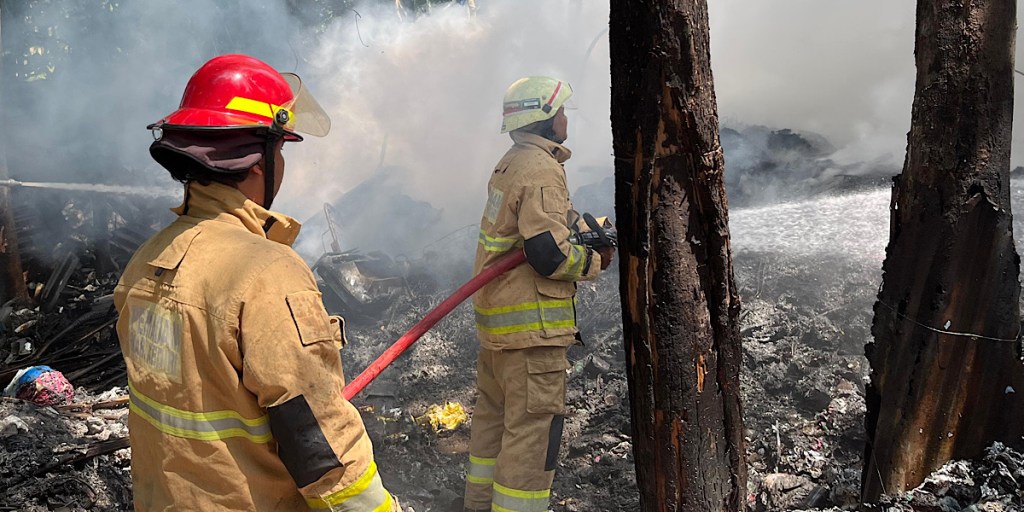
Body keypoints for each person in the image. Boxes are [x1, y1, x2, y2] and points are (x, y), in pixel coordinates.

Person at [114, 54, 396, 511]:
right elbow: (318, 444)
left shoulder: (148, 260)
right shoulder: (266, 273)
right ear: (258, 161)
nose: (280, 162)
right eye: (280, 148)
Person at [463, 76, 615, 512]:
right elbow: (547, 253)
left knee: (493, 428)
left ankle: (477, 505)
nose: (567, 118)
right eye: (562, 110)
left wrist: (579, 227)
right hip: (533, 334)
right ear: (545, 118)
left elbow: (528, 230)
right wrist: (595, 262)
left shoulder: (511, 162)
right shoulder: (542, 169)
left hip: (500, 332)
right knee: (531, 441)